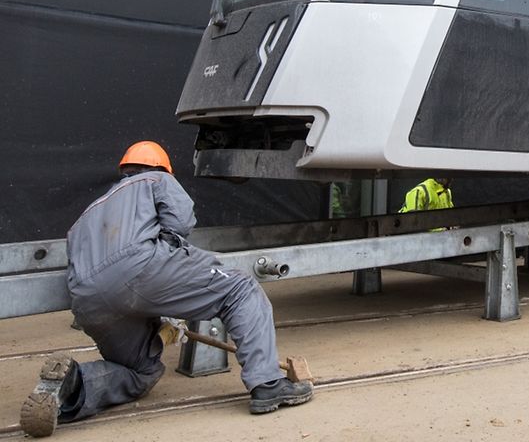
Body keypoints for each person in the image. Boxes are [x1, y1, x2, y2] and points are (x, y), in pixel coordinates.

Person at [19, 141, 312, 438]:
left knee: (140, 373)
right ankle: (268, 384)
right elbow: (180, 220)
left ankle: (70, 387)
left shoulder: (87, 214)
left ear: (124, 170)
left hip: (88, 300)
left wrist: (159, 316)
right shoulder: (156, 179)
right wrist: (168, 266)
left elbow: (101, 274)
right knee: (240, 288)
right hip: (141, 267)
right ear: (162, 167)